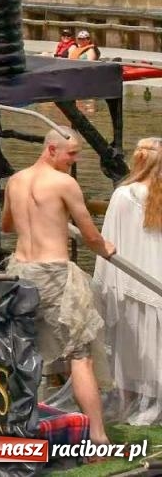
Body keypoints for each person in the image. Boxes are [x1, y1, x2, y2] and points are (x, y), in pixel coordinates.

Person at [3, 129, 115, 443]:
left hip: (20, 273)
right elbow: (90, 235)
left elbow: (7, 226)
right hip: (53, 275)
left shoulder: (15, 180)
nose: (74, 160)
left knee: (23, 349)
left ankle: (21, 428)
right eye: (72, 153)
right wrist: (106, 248)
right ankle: (98, 437)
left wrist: (41, 218)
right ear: (52, 149)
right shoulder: (64, 183)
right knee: (80, 355)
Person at [90, 137, 162, 425]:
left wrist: (105, 284)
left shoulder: (124, 195)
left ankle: (130, 400)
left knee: (131, 349)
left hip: (133, 280)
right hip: (156, 280)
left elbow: (109, 240)